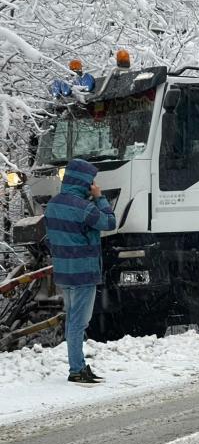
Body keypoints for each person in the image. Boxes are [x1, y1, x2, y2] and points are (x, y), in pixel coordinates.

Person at [44, 159, 116, 384]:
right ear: (83, 181)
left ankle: (79, 365)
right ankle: (76, 369)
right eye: (91, 181)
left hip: (64, 273)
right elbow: (110, 222)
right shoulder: (84, 208)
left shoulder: (53, 204)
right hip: (83, 272)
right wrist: (100, 197)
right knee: (78, 322)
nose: (93, 184)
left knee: (72, 319)